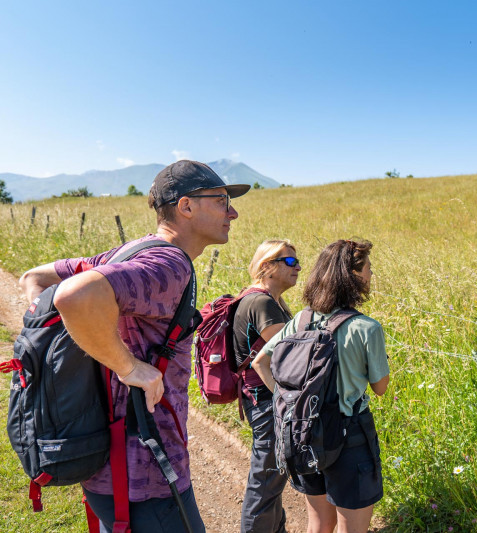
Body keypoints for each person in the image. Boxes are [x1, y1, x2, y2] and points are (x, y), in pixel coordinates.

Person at [18, 160, 250, 532]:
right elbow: (74, 298)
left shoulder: (129, 251)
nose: (233, 212)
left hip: (104, 461)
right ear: (186, 206)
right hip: (146, 475)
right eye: (222, 200)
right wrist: (129, 368)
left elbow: (36, 277)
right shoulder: (169, 264)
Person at [251, 239, 390, 533]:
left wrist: (289, 400)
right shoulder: (367, 328)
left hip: (304, 433)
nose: (370, 275)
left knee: (318, 523)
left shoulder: (301, 320)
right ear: (351, 276)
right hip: (350, 434)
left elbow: (260, 362)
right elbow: (380, 387)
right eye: (367, 269)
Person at [234, 239, 302, 533]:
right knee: (266, 481)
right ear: (267, 267)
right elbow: (292, 354)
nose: (297, 266)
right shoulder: (262, 303)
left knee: (273, 478)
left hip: (262, 399)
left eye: (297, 261)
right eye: (289, 261)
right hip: (267, 401)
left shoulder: (266, 300)